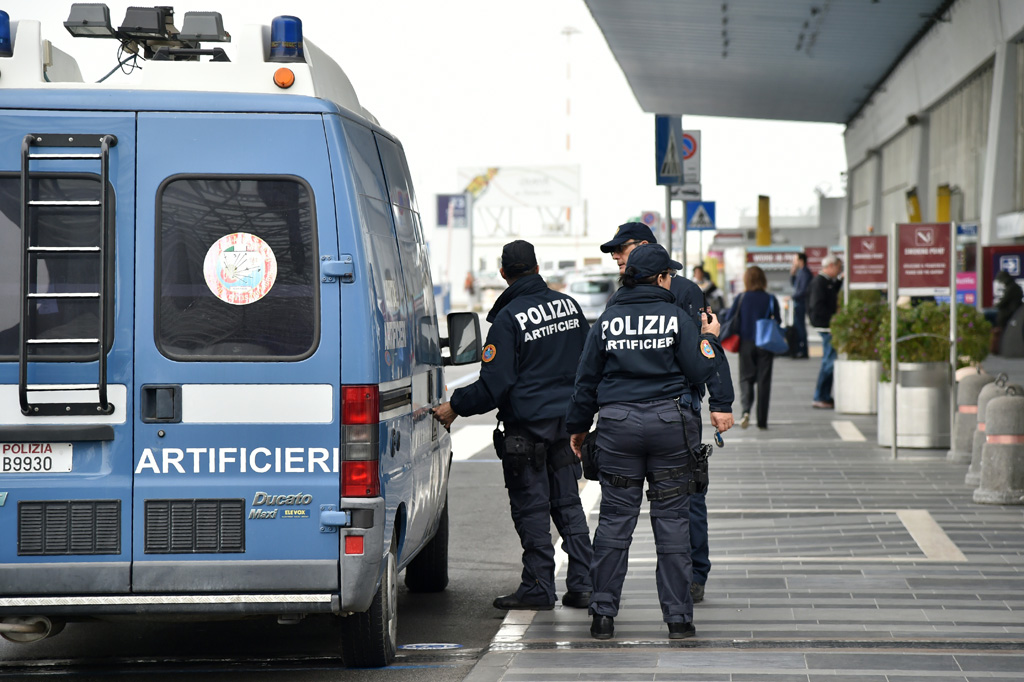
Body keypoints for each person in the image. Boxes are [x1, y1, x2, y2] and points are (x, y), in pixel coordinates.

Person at [566, 243, 724, 640]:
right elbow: (700, 368)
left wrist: (579, 427)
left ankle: (603, 616)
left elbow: (585, 380)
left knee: (615, 522)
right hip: (671, 424)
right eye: (669, 275)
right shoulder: (675, 318)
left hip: (618, 426)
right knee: (672, 521)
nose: (672, 280)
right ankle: (679, 620)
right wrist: (711, 338)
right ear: (659, 278)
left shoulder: (608, 320)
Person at [432, 240, 594, 611]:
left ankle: (538, 587)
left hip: (528, 431)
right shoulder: (569, 306)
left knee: (532, 509)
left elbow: (495, 384)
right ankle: (584, 583)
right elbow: (589, 365)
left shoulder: (508, 319)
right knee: (569, 505)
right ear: (537, 269)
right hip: (566, 425)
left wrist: (455, 406)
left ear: (503, 274)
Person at [600, 222, 733, 606]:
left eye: (620, 249)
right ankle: (670, 606)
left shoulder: (684, 291)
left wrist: (720, 403)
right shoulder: (621, 297)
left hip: (678, 409)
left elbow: (709, 348)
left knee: (685, 499)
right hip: (642, 417)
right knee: (636, 509)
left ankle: (694, 574)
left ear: (642, 247)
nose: (615, 257)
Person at [722, 265, 781, 430]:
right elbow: (778, 320)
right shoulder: (770, 298)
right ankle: (762, 421)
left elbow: (729, 317)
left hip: (746, 344)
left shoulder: (741, 298)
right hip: (765, 344)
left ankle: (746, 410)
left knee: (746, 378)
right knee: (764, 381)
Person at [808, 254, 843, 409]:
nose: (839, 271)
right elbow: (818, 305)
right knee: (829, 361)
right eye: (839, 267)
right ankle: (820, 396)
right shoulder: (819, 282)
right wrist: (832, 319)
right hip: (825, 325)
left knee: (829, 360)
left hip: (826, 324)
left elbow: (832, 290)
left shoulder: (827, 282)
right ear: (830, 266)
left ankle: (824, 396)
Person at [789, 253, 813, 359]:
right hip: (798, 303)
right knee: (798, 327)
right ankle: (799, 349)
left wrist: (791, 297)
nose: (794, 262)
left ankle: (803, 351)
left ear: (801, 260)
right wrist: (792, 275)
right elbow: (795, 286)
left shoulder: (806, 273)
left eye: (795, 260)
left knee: (800, 327)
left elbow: (803, 291)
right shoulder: (800, 273)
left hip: (802, 303)